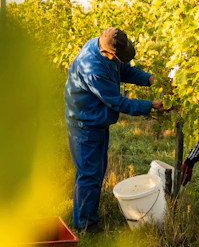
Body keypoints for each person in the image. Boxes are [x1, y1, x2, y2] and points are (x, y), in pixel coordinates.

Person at [64, 27, 165, 234]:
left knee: (95, 170)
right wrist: (151, 105)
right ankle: (85, 225)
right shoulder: (92, 67)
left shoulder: (106, 44)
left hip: (96, 118)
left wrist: (150, 79)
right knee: (89, 173)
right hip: (84, 123)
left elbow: (125, 70)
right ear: (107, 53)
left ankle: (87, 214)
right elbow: (117, 102)